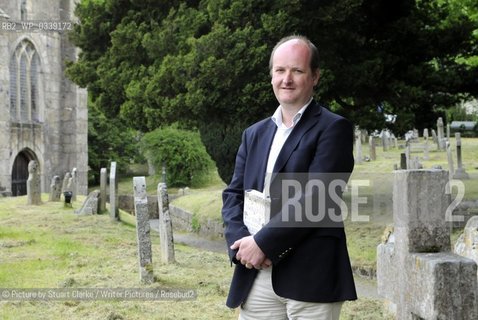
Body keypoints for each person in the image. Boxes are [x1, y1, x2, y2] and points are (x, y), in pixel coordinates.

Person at [221, 35, 357, 319]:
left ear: (315, 77)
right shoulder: (254, 134)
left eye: (297, 70)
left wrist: (263, 244)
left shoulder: (334, 128)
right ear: (271, 75)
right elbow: (234, 195)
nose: (287, 79)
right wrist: (242, 246)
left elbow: (317, 198)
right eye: (280, 70)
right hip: (256, 273)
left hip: (311, 275)